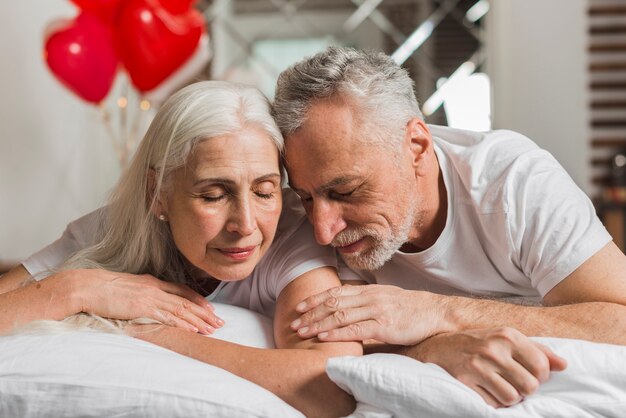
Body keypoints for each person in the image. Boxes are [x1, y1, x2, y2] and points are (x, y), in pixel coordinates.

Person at [273, 46, 626, 407]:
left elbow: (620, 322)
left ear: (416, 146)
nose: (324, 231)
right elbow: (336, 349)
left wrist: (439, 312)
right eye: (307, 197)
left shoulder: (515, 181)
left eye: (346, 191)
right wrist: (435, 347)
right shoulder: (316, 222)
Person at [0, 81, 362, 417]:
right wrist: (78, 289)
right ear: (157, 193)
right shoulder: (110, 230)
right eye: (213, 195)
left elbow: (331, 388)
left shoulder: (290, 232)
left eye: (265, 192)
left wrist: (155, 334)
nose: (246, 225)